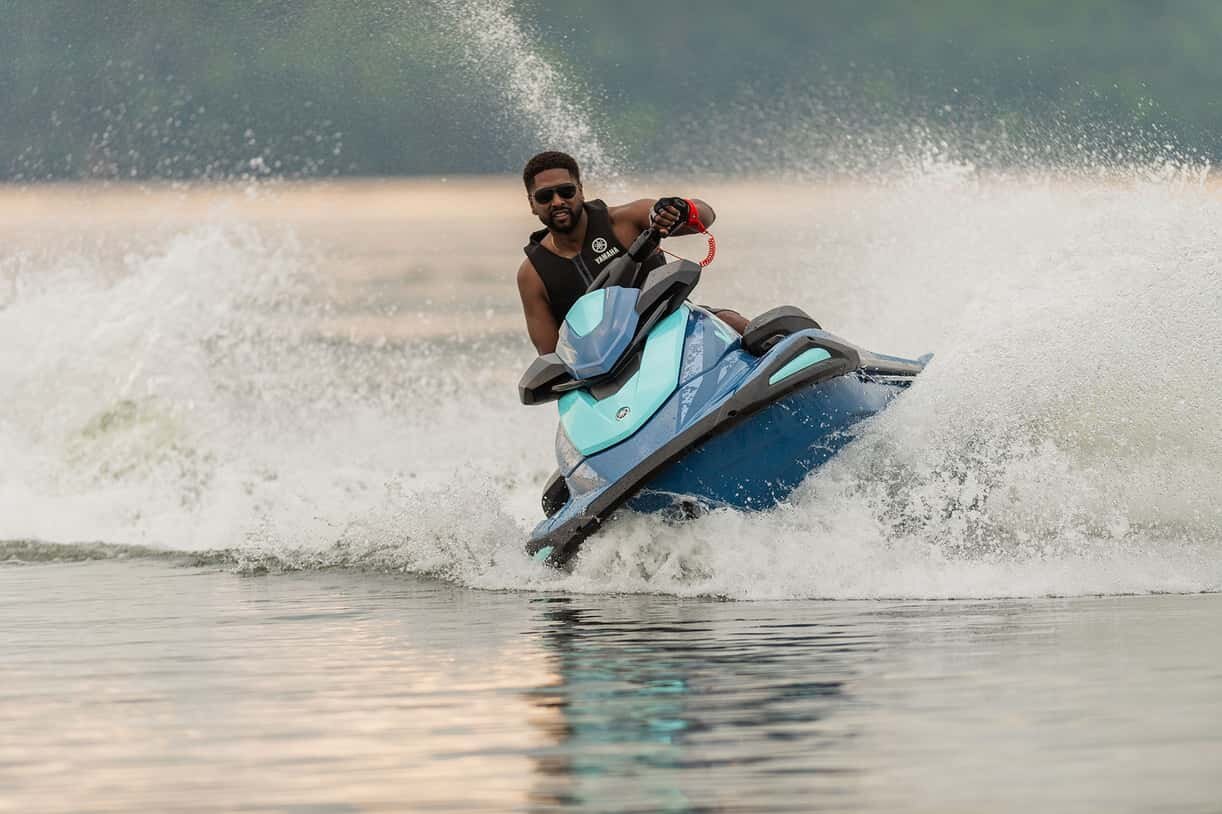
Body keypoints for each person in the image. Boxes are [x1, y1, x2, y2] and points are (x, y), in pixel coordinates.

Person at [516, 150, 749, 355]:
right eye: (545, 196)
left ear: (581, 191)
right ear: (532, 204)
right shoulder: (532, 275)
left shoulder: (625, 220)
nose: (557, 202)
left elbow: (706, 215)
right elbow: (550, 357)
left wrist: (681, 208)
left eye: (566, 191)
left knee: (731, 321)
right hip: (608, 371)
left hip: (674, 330)